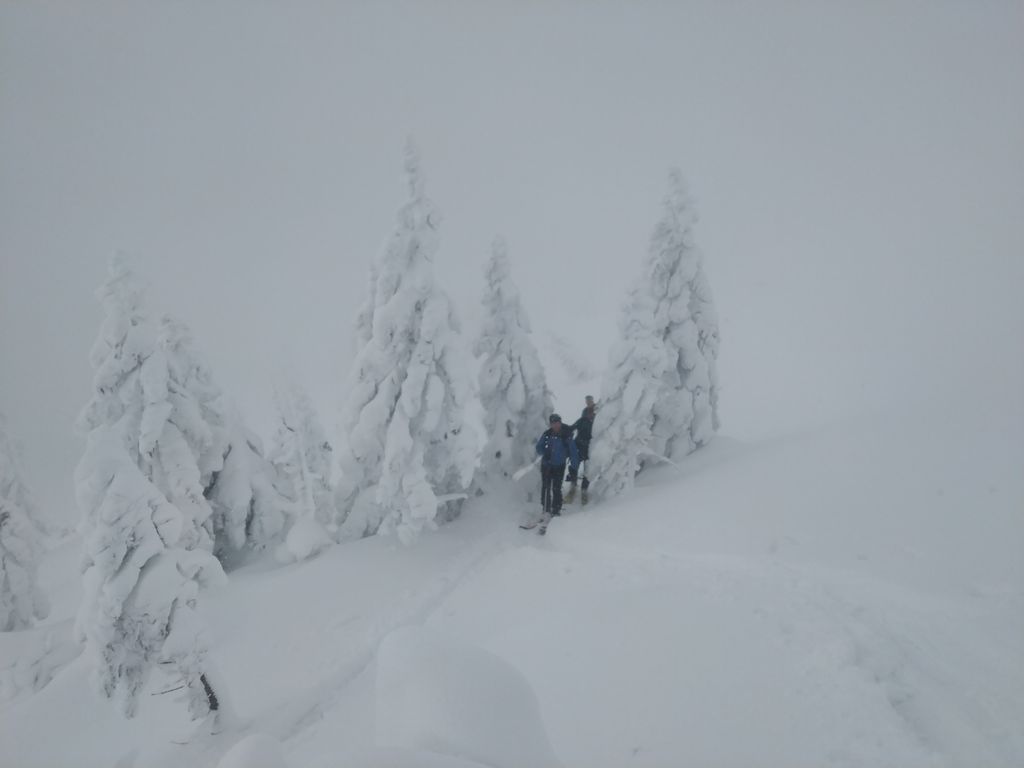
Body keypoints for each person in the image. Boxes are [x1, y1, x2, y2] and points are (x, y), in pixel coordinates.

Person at [535, 413, 579, 528]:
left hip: (559, 466)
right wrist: (545, 452)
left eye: (557, 422)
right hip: (546, 465)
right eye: (553, 423)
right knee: (545, 487)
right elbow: (538, 447)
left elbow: (573, 451)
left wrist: (574, 467)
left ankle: (556, 510)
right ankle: (545, 510)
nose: (556, 425)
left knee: (556, 488)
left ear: (560, 422)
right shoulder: (547, 434)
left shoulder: (566, 435)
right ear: (551, 424)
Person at [566, 396, 597, 504]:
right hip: (578, 446)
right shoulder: (582, 419)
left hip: (589, 448)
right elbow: (571, 428)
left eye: (590, 401)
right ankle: (573, 487)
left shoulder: (597, 421)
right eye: (587, 401)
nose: (588, 402)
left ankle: (584, 491)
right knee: (573, 467)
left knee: (587, 470)